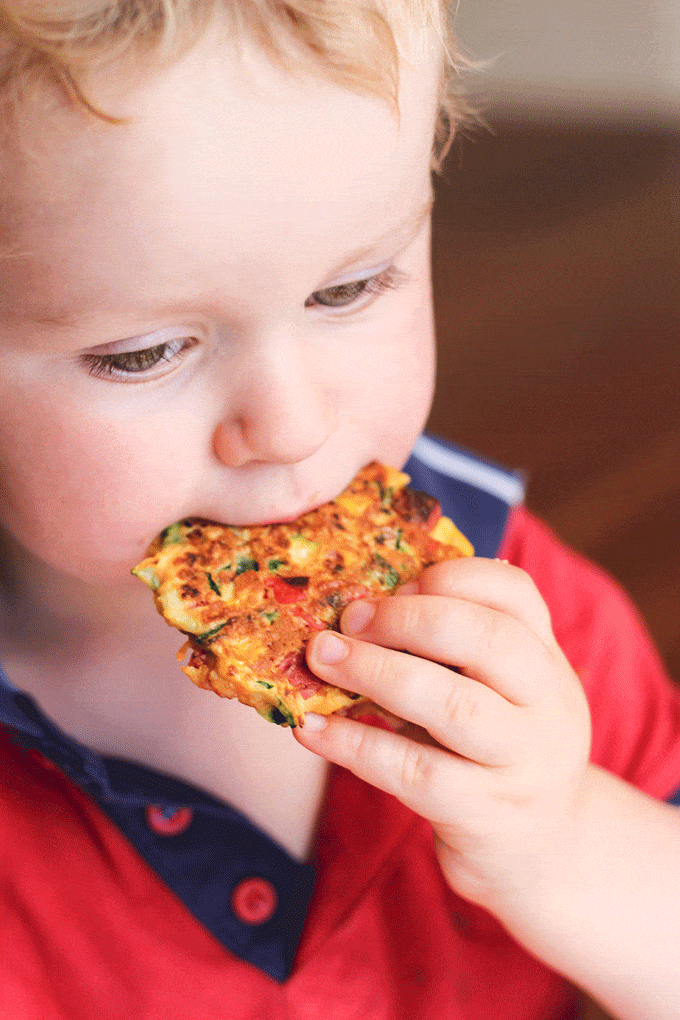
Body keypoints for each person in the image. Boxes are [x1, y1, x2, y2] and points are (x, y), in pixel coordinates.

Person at [0, 2, 678, 1018]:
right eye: (143, 352)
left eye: (350, 287)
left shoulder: (522, 628)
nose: (290, 423)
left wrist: (561, 838)